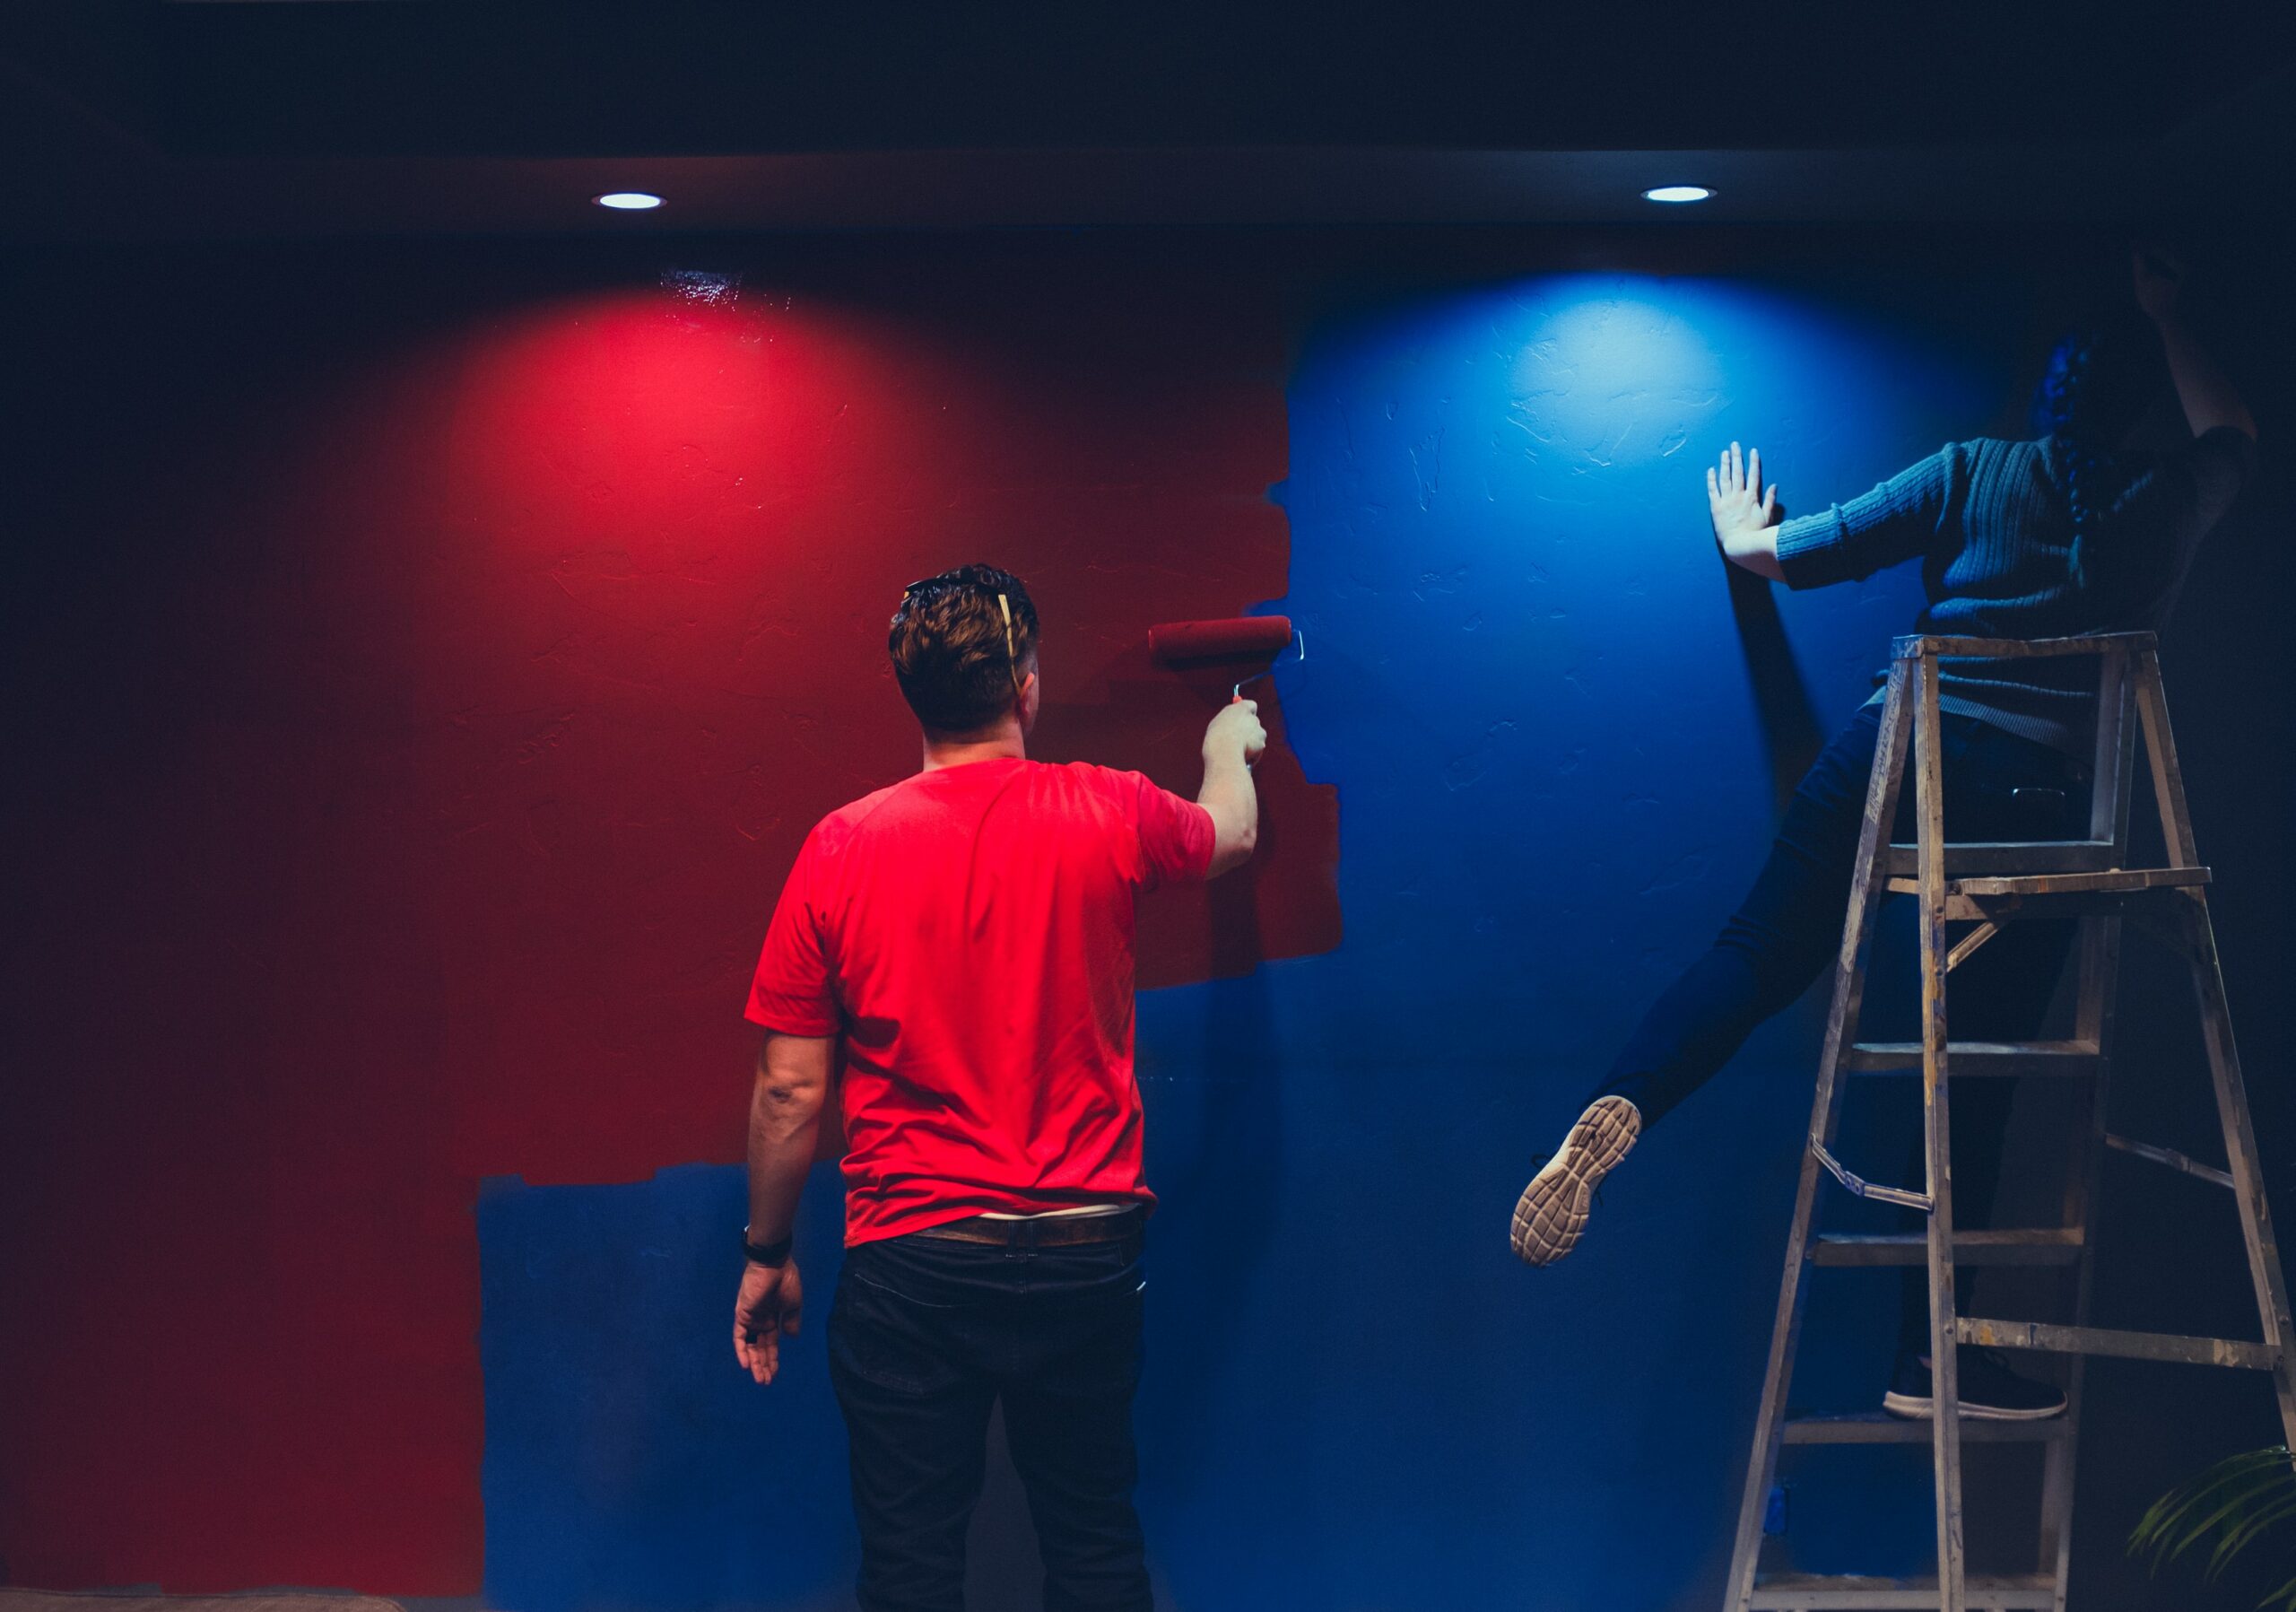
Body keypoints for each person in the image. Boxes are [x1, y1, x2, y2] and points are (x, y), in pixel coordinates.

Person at [1510, 248, 2257, 1421]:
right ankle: (1930, 1357)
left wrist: (1741, 535)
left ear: (2048, 396)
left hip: (1898, 750)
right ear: (2140, 412)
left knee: (1757, 951)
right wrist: (2168, 319)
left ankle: (1628, 1102)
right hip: (2036, 808)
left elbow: (1789, 556)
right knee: (1975, 1080)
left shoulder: (1972, 471)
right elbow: (2237, 437)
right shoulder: (2165, 505)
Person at [733, 563, 1266, 1612]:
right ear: (1026, 686)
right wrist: (1224, 747)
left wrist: (765, 1255)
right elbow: (1228, 835)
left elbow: (790, 1093)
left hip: (916, 1259)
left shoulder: (840, 848)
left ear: (913, 695)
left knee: (912, 1569)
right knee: (1094, 1543)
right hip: (1085, 1249)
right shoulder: (1105, 807)